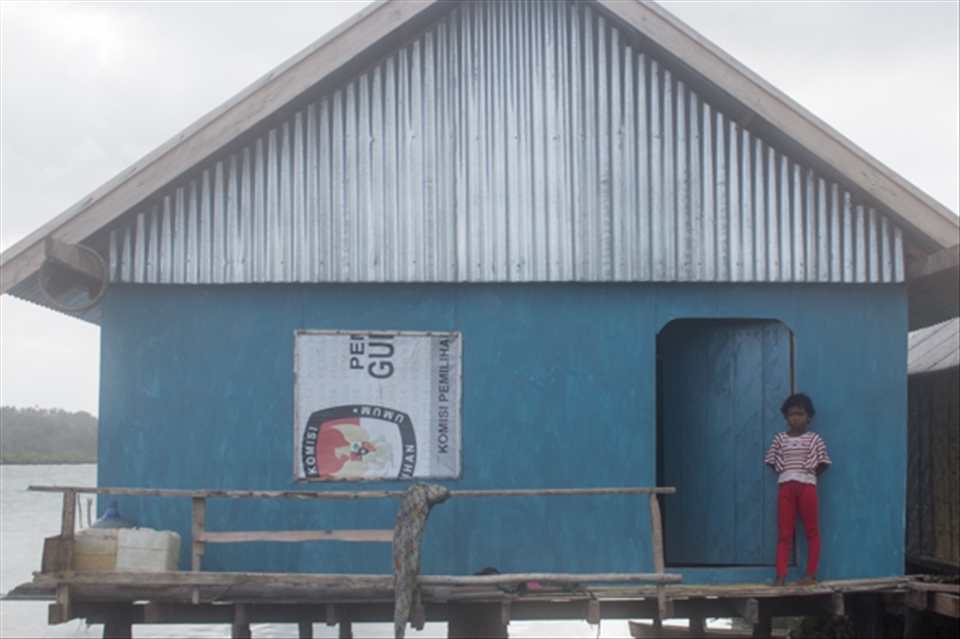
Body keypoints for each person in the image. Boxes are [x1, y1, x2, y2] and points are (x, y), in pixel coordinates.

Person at [764, 393, 831, 587]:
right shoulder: (780, 439)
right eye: (792, 414)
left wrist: (808, 474)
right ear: (786, 417)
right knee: (784, 532)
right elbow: (770, 461)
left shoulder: (814, 439)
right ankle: (781, 576)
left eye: (800, 414)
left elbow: (825, 462)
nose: (796, 418)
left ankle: (810, 575)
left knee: (812, 530)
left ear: (809, 416)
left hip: (807, 487)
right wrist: (789, 472)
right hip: (786, 486)